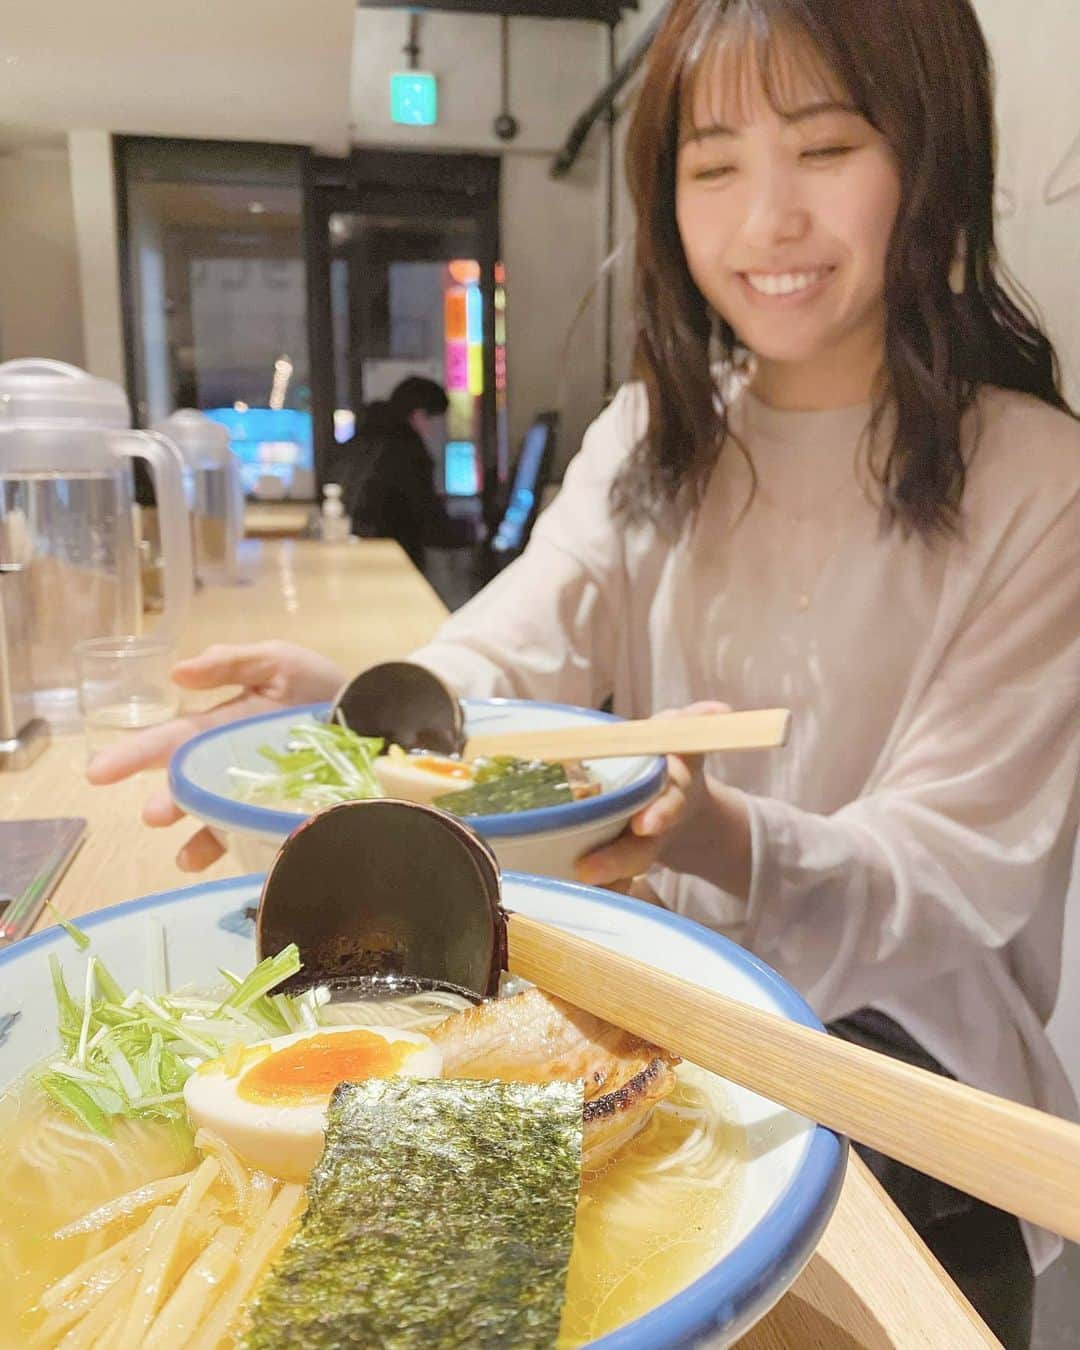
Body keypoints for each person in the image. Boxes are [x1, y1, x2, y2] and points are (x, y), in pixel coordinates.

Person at [89, 1, 1079, 1342]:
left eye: (827, 148)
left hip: (897, 1077)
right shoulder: (652, 438)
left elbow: (954, 875)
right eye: (714, 164)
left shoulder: (1037, 479)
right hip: (635, 1021)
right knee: (352, 1288)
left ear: (936, 159)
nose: (765, 218)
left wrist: (726, 837)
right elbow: (504, 649)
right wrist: (350, 721)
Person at [332, 376, 473, 572]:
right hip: (390, 563)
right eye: (438, 421)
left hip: (351, 556)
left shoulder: (362, 441)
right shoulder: (407, 452)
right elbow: (429, 523)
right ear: (419, 415)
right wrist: (472, 530)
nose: (440, 431)